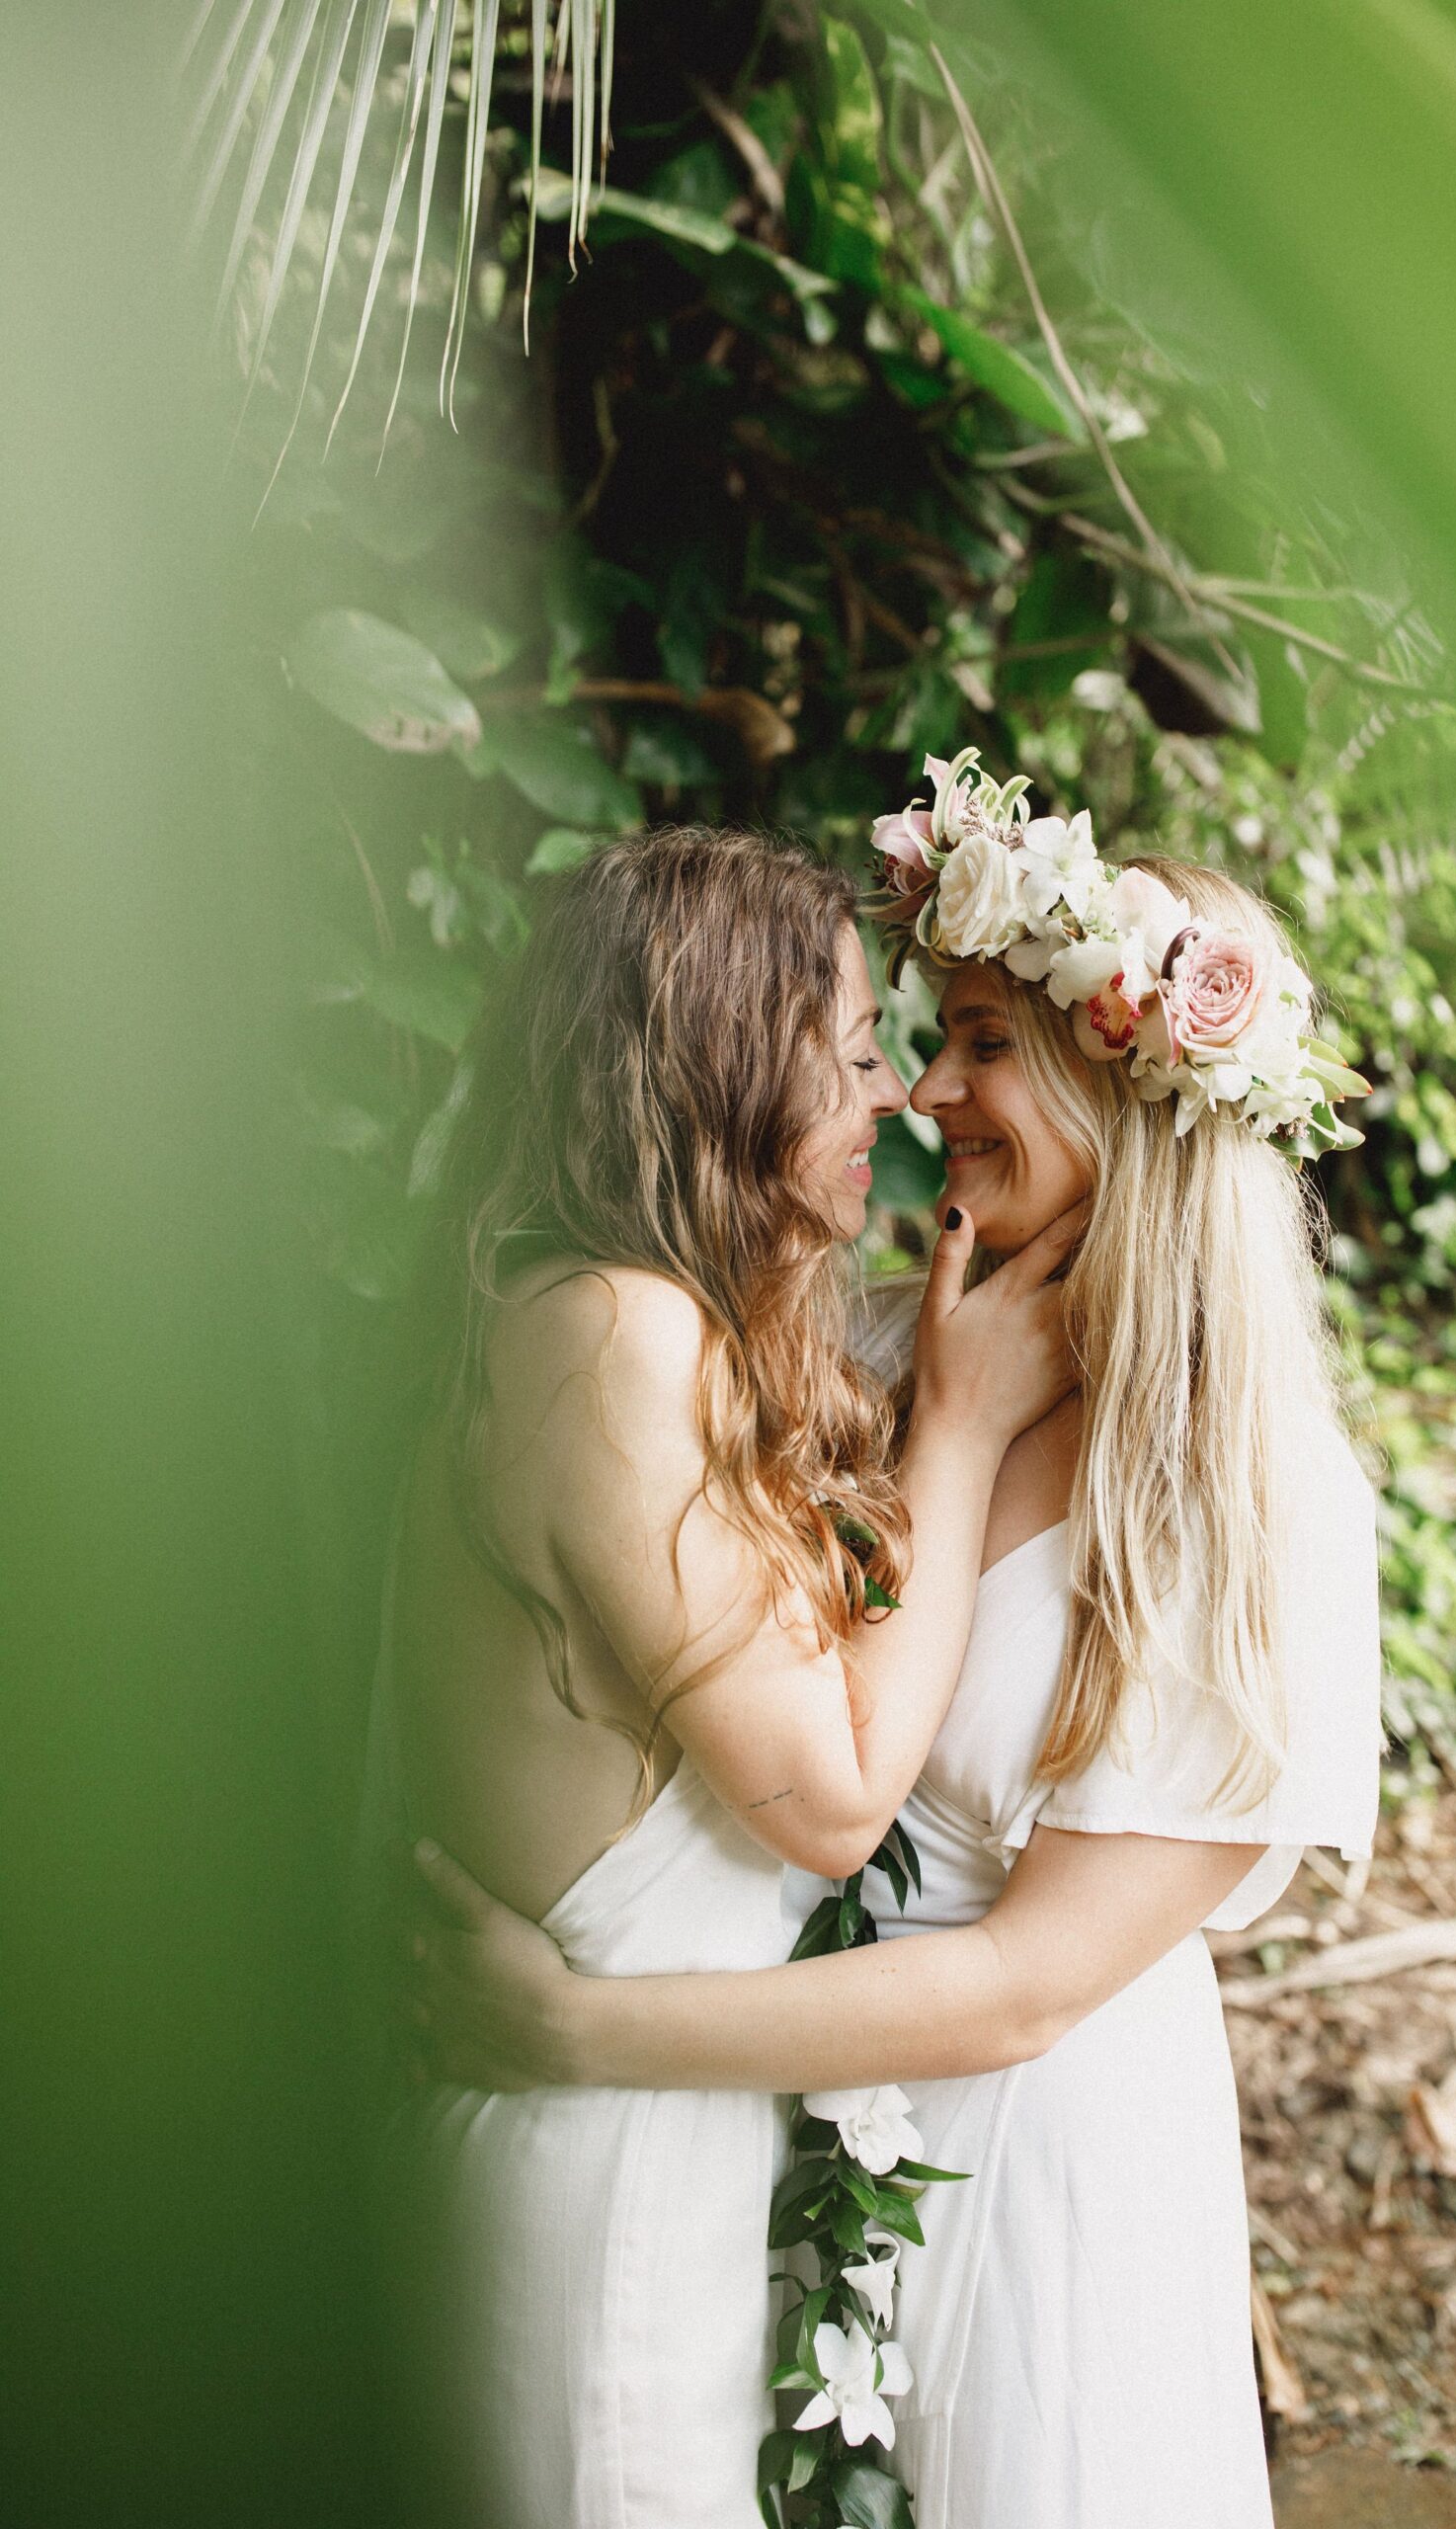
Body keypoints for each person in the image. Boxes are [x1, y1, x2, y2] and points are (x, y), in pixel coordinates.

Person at [408, 768, 1381, 2528]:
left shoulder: (1258, 1505)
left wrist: (579, 2033)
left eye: (986, 1043)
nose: (928, 1092)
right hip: (775, 2159)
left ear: (1125, 1081)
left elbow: (1025, 1986)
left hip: (1036, 2185)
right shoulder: (871, 1349)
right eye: (910, 1042)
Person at [367, 823, 1080, 2528]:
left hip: (632, 2136)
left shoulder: (584, 1310)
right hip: (584, 2172)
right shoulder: (617, 1333)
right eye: (848, 1054)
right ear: (725, 1071)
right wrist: (967, 1432)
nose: (895, 1097)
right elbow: (834, 1802)